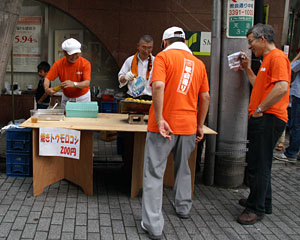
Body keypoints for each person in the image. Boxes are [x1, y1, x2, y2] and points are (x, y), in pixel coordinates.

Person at [141, 26, 210, 239]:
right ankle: (183, 208)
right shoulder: (198, 64)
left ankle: (153, 225)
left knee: (154, 173)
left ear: (165, 42)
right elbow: (205, 97)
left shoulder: (163, 58)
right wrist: (200, 124)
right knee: (184, 169)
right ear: (184, 42)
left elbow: (158, 85)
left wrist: (161, 119)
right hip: (188, 126)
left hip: (164, 127)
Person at [237, 23, 291, 225]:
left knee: (258, 164)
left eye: (251, 42)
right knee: (262, 162)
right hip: (266, 116)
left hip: (268, 117)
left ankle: (255, 208)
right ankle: (261, 201)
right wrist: (247, 69)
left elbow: (282, 87)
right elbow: (259, 85)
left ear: (262, 39)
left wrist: (260, 109)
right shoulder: (268, 60)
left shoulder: (276, 57)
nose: (250, 47)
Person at [44, 38, 91, 108]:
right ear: (64, 53)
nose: (74, 57)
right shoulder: (58, 64)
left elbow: (87, 83)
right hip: (66, 97)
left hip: (83, 97)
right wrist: (47, 89)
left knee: (82, 118)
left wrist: (74, 84)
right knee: (66, 117)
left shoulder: (85, 63)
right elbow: (47, 78)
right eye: (71, 54)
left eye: (77, 54)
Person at [275, 50, 300, 162]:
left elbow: (289, 68)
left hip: (299, 96)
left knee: (296, 125)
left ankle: (291, 153)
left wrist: (297, 56)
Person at [118, 35, 154, 100]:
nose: (146, 51)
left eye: (149, 48)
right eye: (144, 47)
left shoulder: (156, 62)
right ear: (138, 46)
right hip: (132, 97)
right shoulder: (130, 60)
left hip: (149, 98)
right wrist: (126, 77)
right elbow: (120, 78)